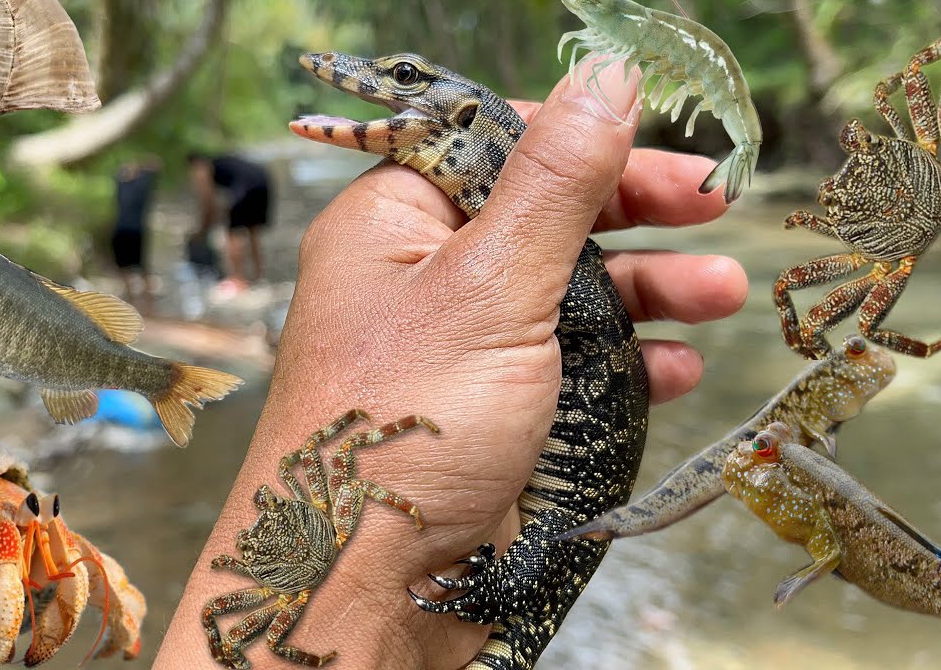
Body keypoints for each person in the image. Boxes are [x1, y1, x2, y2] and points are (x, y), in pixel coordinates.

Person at [155, 63, 748, 668]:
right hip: (528, 512)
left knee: (546, 554)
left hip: (564, 517)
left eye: (406, 77)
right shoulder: (540, 264)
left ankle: (492, 597)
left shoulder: (565, 274)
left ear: (464, 117)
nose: (366, 78)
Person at [187, 151, 272, 297]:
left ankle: (238, 279)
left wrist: (201, 231)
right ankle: (258, 277)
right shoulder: (222, 161)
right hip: (263, 179)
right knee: (252, 230)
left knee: (232, 233)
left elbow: (208, 202)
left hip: (245, 185)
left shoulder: (201, 167)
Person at [110, 158, 160, 309]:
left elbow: (155, 166)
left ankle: (148, 301)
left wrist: (140, 167)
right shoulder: (122, 183)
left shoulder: (142, 184)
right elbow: (118, 173)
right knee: (123, 265)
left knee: (141, 266)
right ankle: (132, 298)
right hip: (122, 228)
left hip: (135, 229)